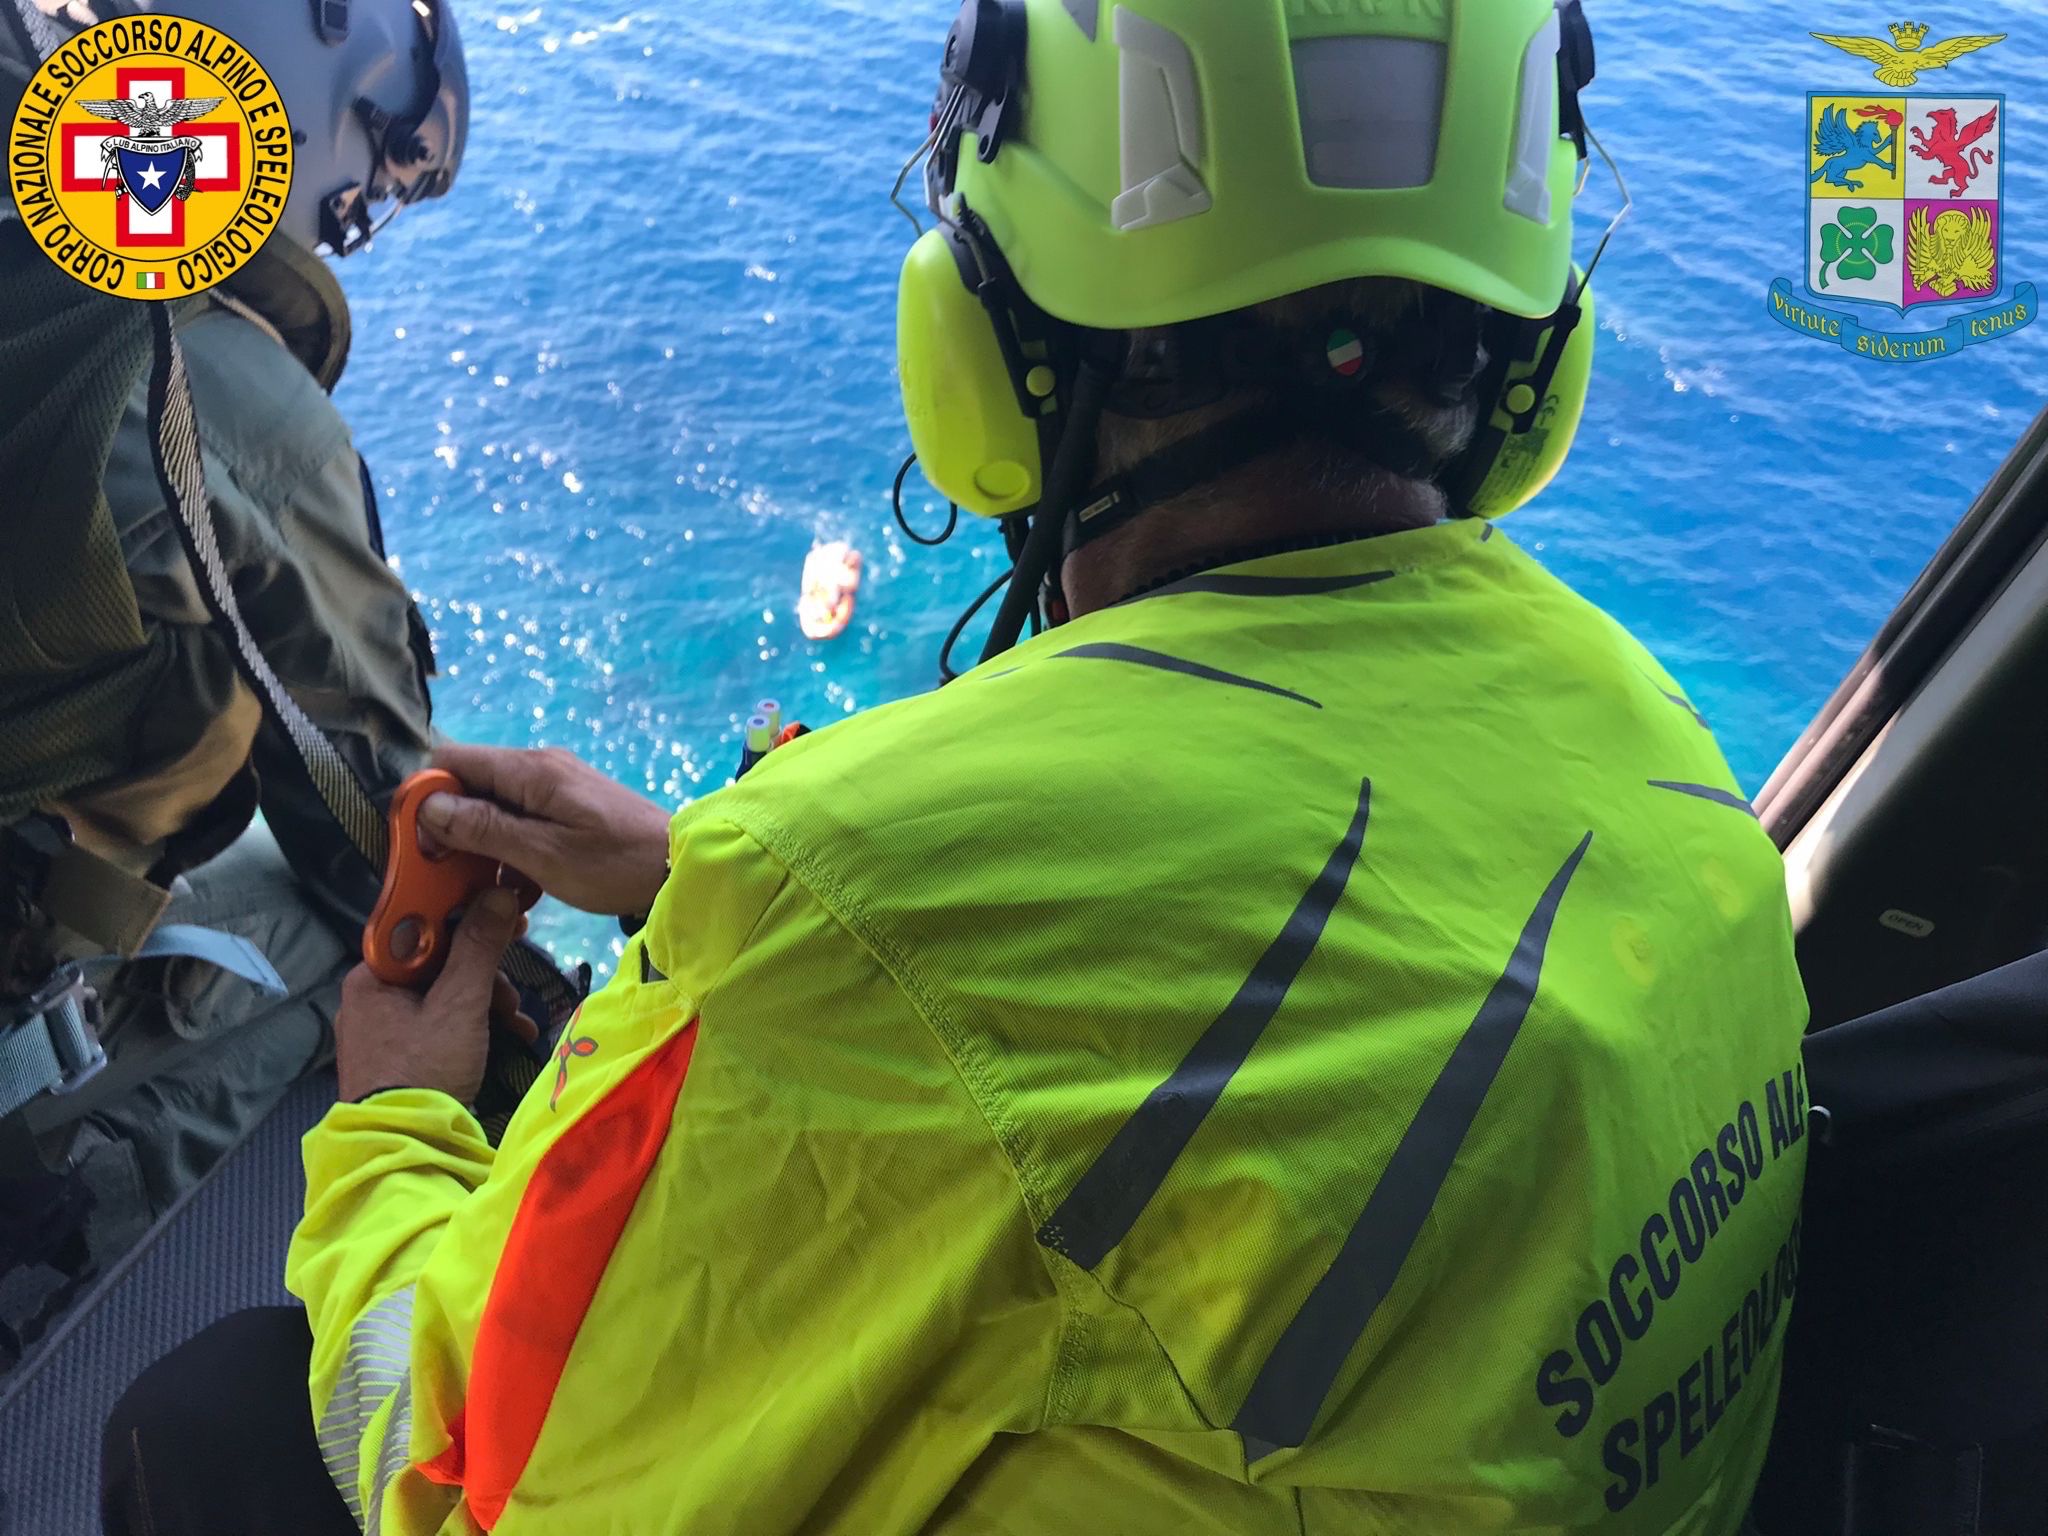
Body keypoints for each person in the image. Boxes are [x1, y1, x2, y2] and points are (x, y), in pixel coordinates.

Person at [104, 3, 1811, 1534]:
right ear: (1535, 382)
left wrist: (395, 1112)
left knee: (216, 1418)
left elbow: (464, 1466)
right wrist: (706, 868)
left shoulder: (865, 897)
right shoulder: (1665, 754)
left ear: (980, 362)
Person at [0, 0, 466, 1361]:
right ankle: (53, 1248)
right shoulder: (218, 403)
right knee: (349, 949)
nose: (343, 224)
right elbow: (383, 824)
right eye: (368, 183)